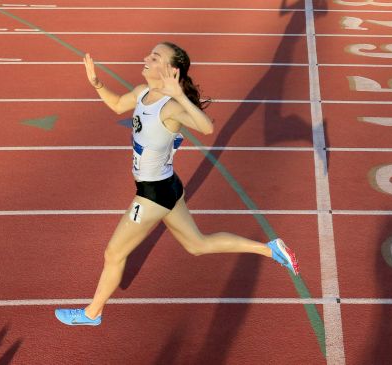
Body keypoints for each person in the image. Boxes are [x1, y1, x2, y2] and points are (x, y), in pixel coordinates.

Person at [55, 42, 299, 326]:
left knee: (113, 252)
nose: (145, 58)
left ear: (170, 70)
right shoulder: (142, 92)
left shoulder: (170, 107)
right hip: (169, 187)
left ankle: (92, 313)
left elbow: (206, 127)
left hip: (153, 195)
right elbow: (118, 104)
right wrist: (97, 83)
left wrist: (180, 96)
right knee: (198, 245)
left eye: (154, 57)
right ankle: (270, 249)